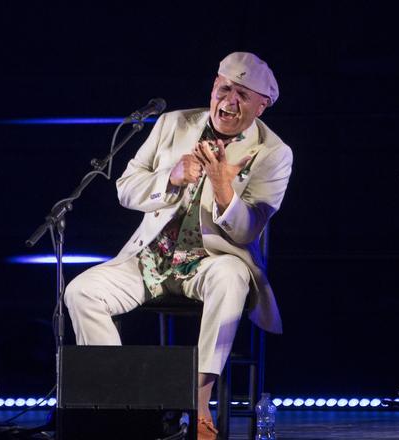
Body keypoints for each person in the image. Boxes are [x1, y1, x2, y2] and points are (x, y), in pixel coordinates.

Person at [64, 52, 292, 440]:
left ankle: (200, 406)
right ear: (213, 87)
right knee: (81, 291)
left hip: (211, 262)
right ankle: (123, 406)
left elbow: (248, 230)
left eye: (242, 95)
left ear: (262, 105)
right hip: (150, 258)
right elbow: (125, 187)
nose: (229, 101)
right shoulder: (173, 124)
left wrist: (222, 187)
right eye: (224, 89)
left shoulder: (274, 153)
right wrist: (170, 178)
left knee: (232, 276)